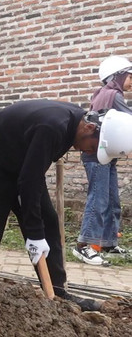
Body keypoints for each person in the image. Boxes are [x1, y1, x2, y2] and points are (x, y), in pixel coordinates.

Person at [0, 99, 132, 310]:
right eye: (93, 147)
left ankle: (58, 294)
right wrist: (34, 235)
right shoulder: (53, 127)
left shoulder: (73, 122)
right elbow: (28, 182)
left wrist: (38, 230)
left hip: (23, 166)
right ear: (90, 128)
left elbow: (31, 177)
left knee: (48, 222)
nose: (90, 152)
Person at [73, 56, 132, 265]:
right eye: (129, 76)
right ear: (117, 76)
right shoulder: (113, 95)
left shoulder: (102, 94)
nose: (131, 81)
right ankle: (84, 246)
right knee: (98, 200)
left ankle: (108, 243)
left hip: (105, 154)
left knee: (111, 200)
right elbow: (128, 120)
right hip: (96, 154)